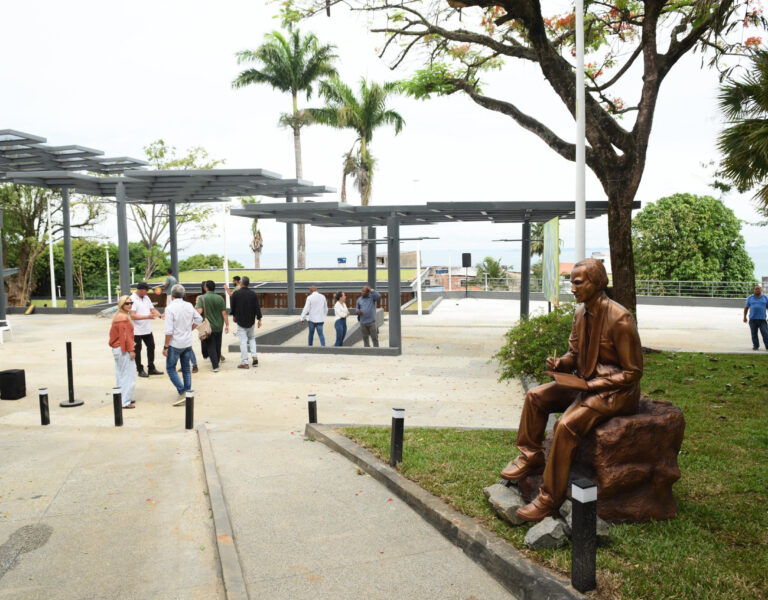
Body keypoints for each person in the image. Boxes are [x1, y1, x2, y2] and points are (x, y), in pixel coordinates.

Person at [500, 258, 643, 523]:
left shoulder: (620, 319)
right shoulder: (580, 313)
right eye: (571, 282)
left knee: (566, 426)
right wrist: (561, 363)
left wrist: (592, 385)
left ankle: (549, 497)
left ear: (597, 283)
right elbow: (575, 354)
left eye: (578, 282)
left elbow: (632, 372)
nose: (573, 288)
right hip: (585, 383)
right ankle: (530, 456)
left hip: (615, 392)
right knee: (536, 396)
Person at [162, 284, 203, 406]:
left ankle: (182, 391)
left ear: (172, 295)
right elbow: (199, 319)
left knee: (170, 368)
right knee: (186, 368)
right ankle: (188, 391)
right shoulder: (189, 305)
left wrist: (165, 346)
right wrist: (190, 329)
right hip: (187, 342)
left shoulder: (170, 308)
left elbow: (169, 330)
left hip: (175, 343)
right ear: (183, 295)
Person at [109, 295, 136, 409]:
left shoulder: (119, 315)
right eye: (127, 303)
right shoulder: (123, 318)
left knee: (121, 375)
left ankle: (122, 398)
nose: (130, 305)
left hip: (117, 349)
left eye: (131, 303)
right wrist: (131, 350)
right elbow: (126, 337)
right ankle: (125, 401)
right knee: (129, 376)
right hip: (122, 349)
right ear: (121, 305)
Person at [130, 282, 162, 377]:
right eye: (146, 290)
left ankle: (151, 368)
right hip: (136, 331)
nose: (147, 292)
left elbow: (152, 309)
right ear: (141, 290)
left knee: (151, 346)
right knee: (137, 350)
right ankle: (140, 369)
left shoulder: (146, 297)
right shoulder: (132, 299)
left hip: (147, 329)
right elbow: (133, 316)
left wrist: (160, 315)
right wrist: (147, 317)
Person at [196, 280, 229, 372]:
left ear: (206, 288)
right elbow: (224, 313)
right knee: (218, 345)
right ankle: (217, 361)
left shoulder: (202, 298)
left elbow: (199, 311)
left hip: (209, 326)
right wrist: (227, 324)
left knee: (211, 345)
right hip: (219, 325)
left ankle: (215, 366)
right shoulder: (220, 298)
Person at [231, 276, 262, 369]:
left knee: (243, 342)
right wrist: (259, 319)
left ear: (241, 283)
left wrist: (234, 316)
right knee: (252, 338)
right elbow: (257, 307)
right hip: (251, 321)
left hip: (240, 321)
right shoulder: (253, 294)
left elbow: (233, 307)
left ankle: (245, 362)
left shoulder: (236, 294)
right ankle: (254, 357)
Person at [744, 284, 768, 350]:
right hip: (752, 319)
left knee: (765, 333)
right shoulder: (750, 298)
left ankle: (767, 346)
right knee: (754, 334)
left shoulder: (765, 298)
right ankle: (756, 346)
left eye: (759, 289)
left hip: (762, 320)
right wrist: (744, 317)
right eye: (756, 289)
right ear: (753, 290)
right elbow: (746, 308)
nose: (757, 290)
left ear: (761, 290)